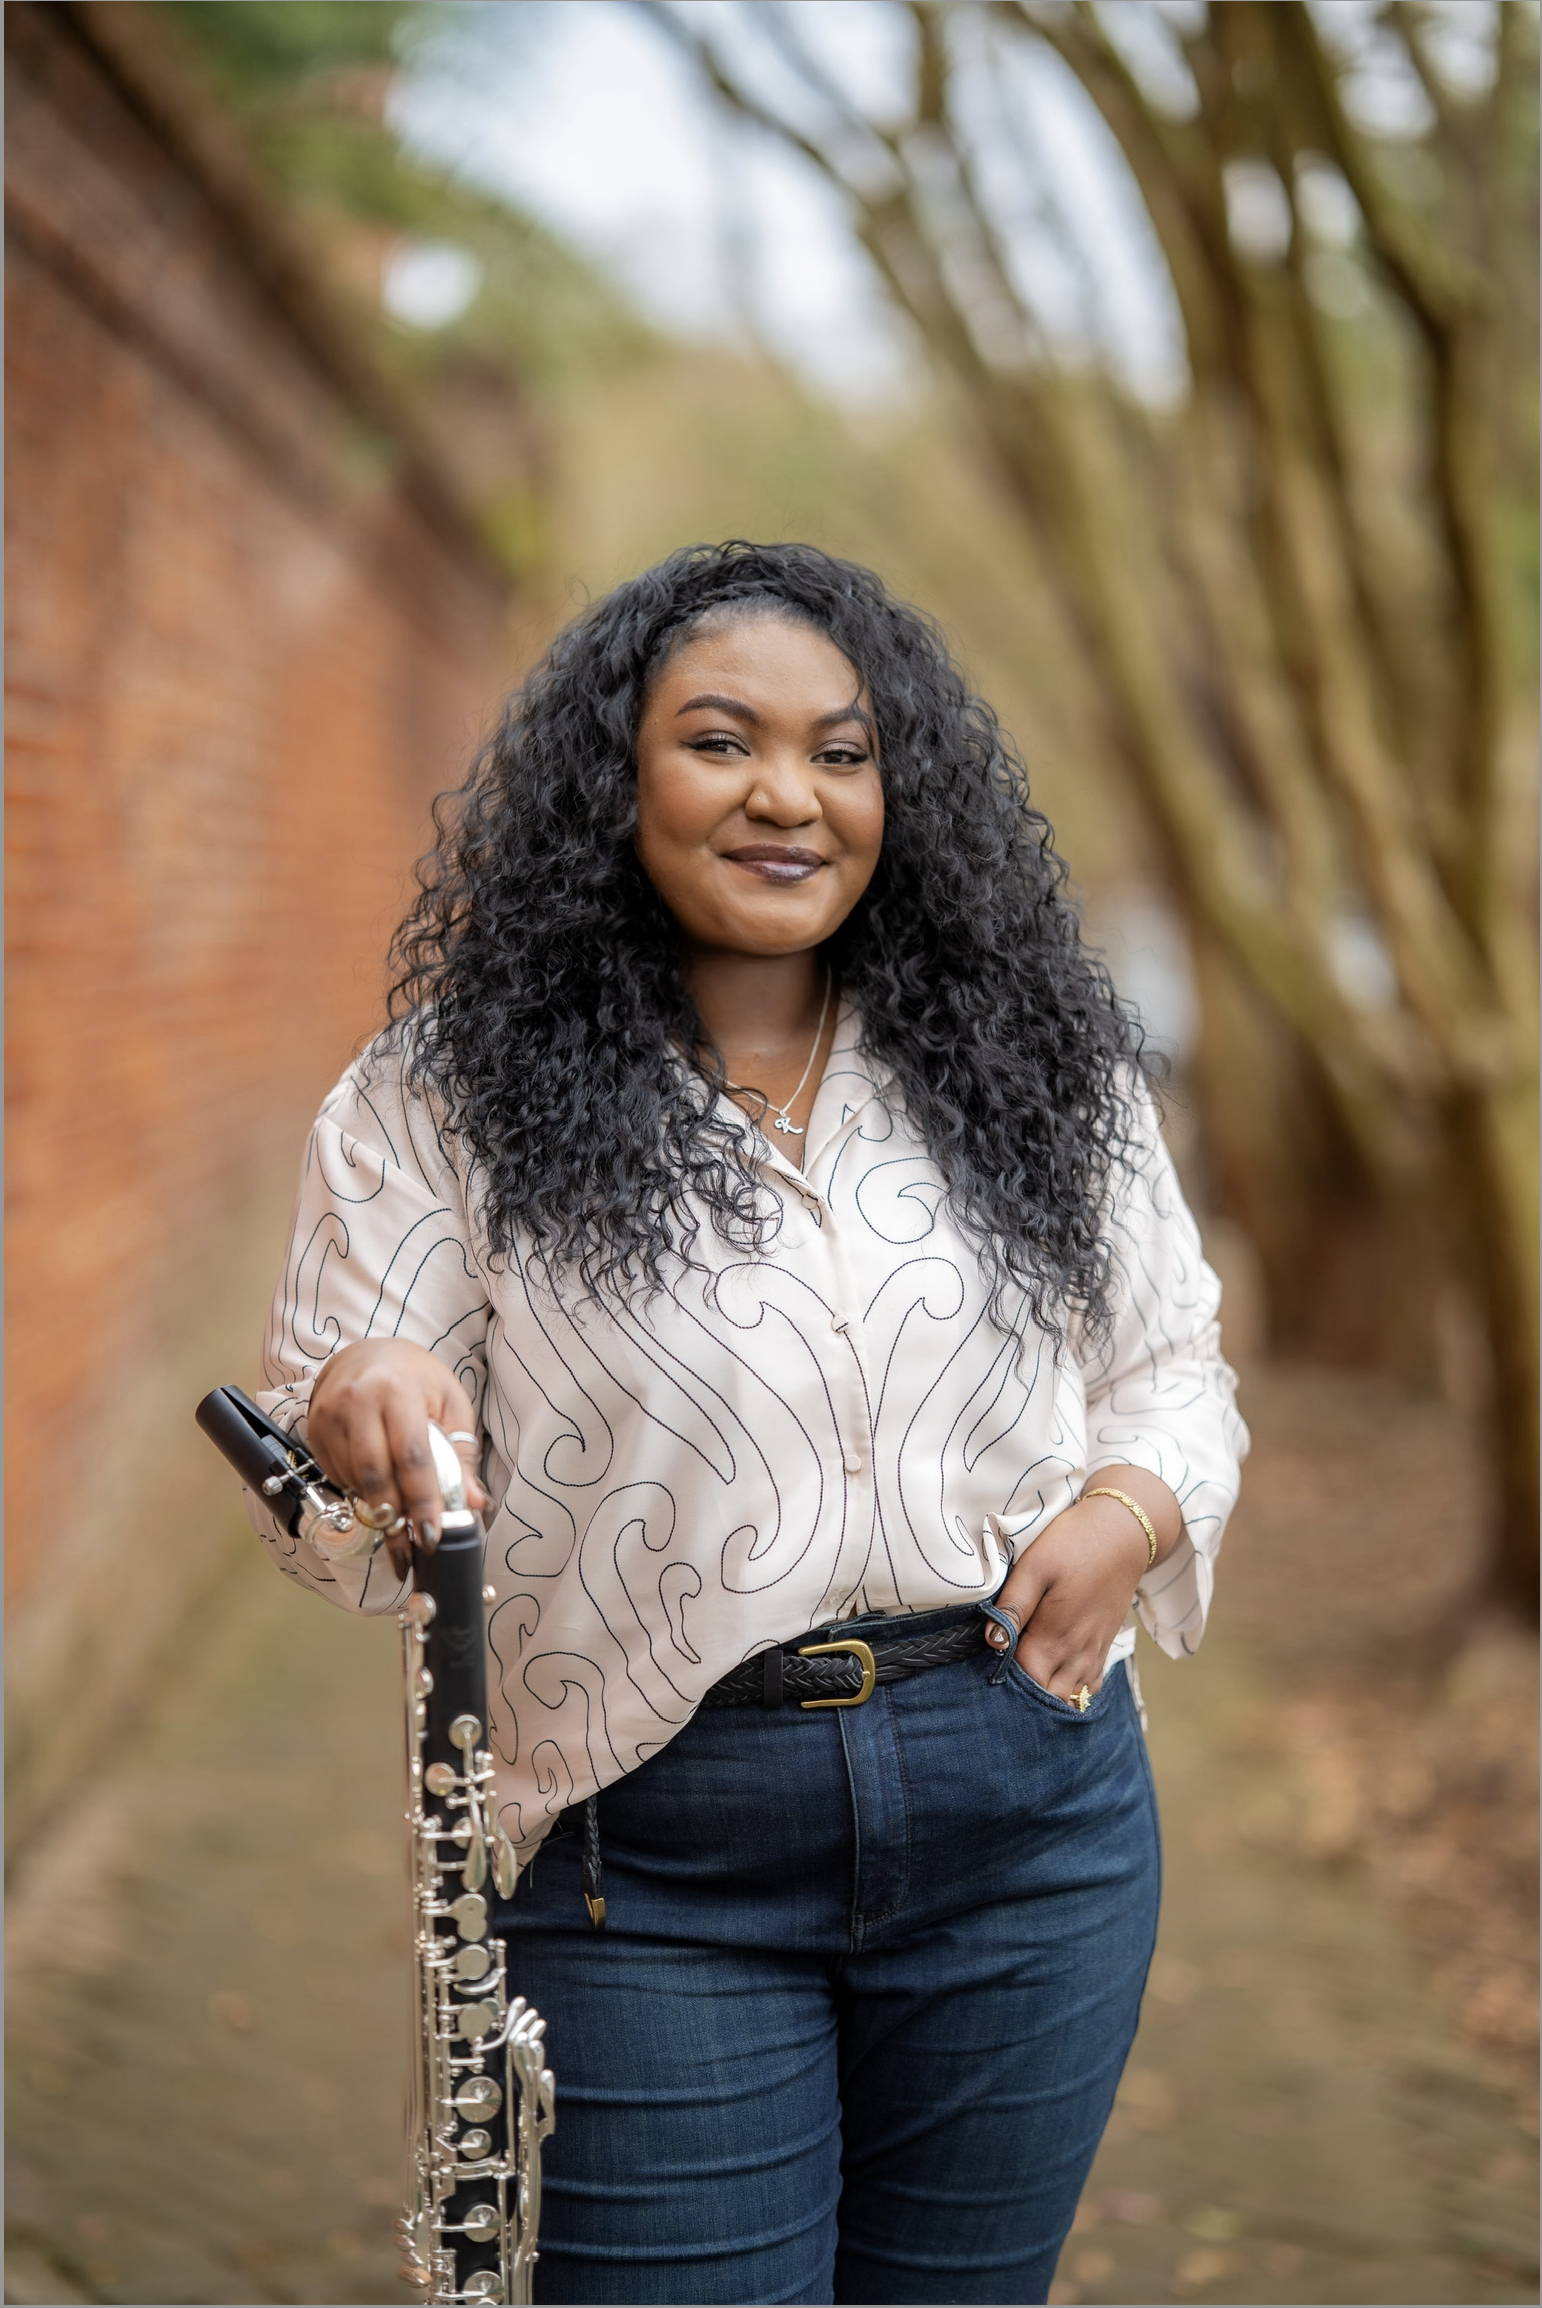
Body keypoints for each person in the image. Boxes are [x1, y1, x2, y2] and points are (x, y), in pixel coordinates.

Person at [249, 540, 1247, 2306]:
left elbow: (1175, 1370)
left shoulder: (1044, 1069)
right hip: (652, 1842)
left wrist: (1136, 1507)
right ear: (613, 781)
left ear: (898, 790)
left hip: (1033, 1816)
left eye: (842, 753)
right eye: (720, 742)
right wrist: (359, 1407)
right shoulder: (438, 1098)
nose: (788, 795)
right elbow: (341, 1465)